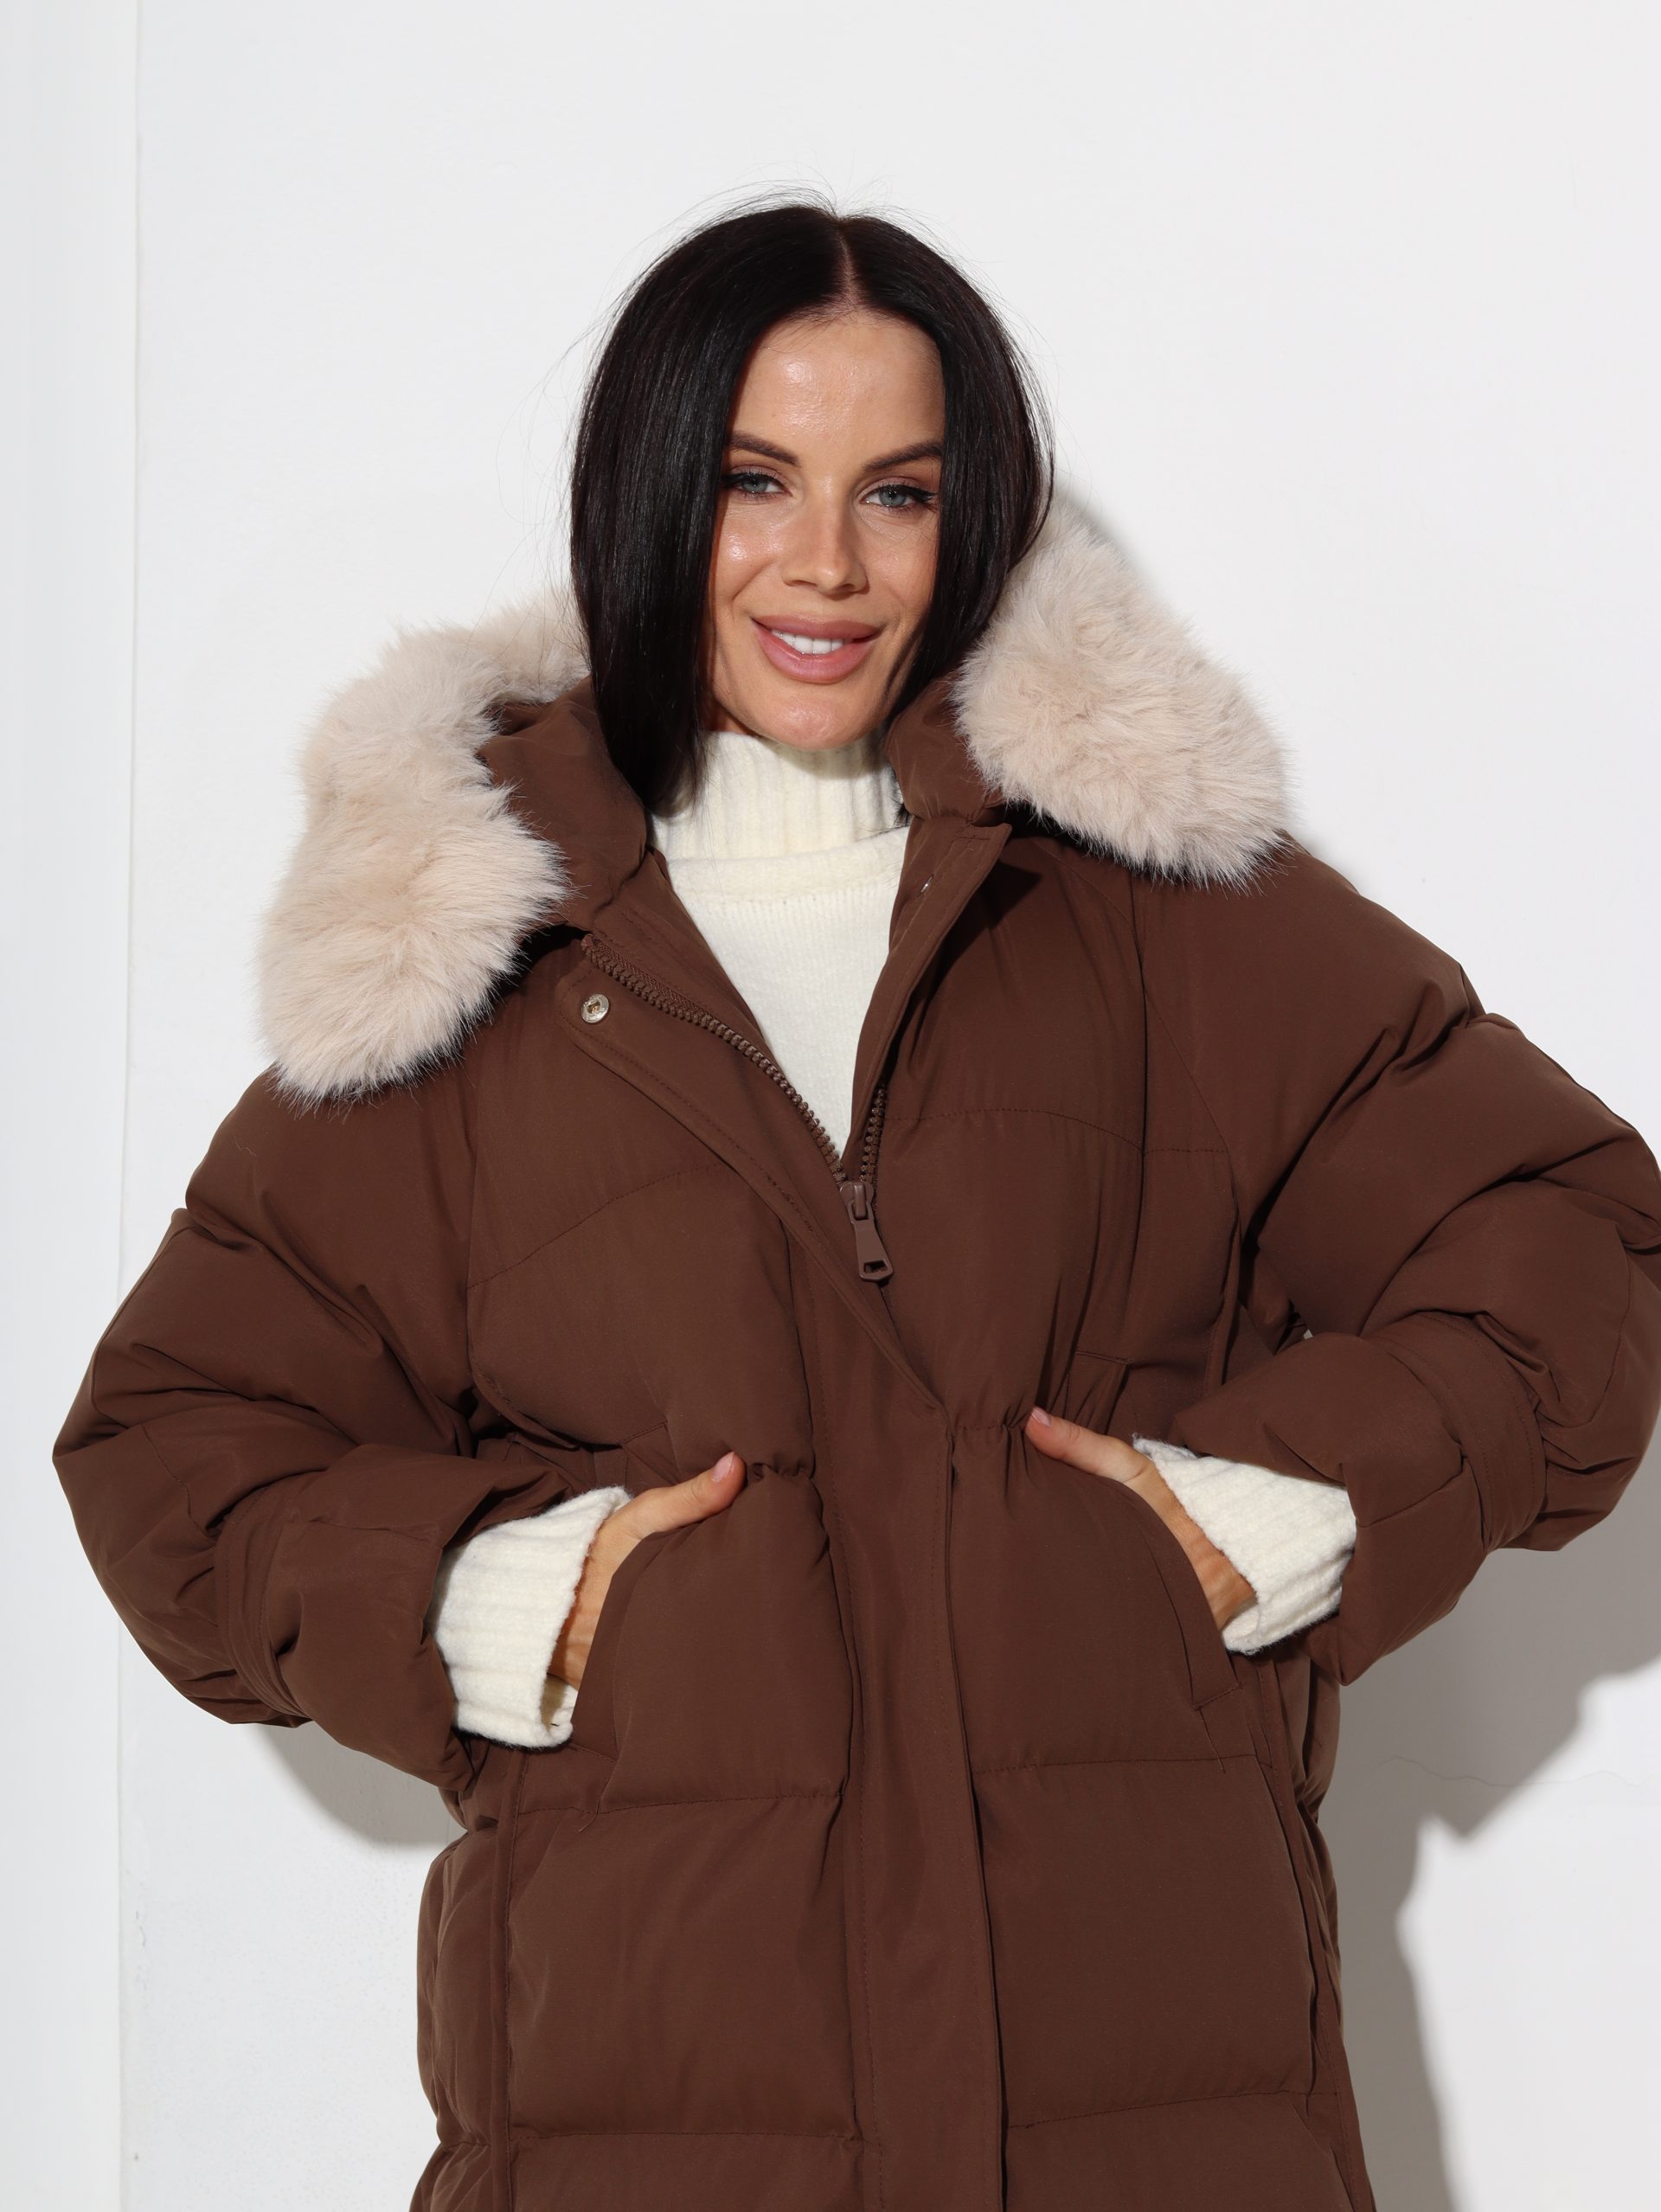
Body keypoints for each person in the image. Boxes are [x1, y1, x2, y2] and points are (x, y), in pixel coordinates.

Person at [54, 198, 1661, 2212]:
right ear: (651, 493)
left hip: (1155, 2118)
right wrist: (491, 1598)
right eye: (757, 481)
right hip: (654, 2128)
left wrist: (1289, 1513)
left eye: (896, 492)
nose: (825, 563)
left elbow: (1572, 1233)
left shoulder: (1147, 906)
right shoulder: (476, 954)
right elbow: (170, 1446)